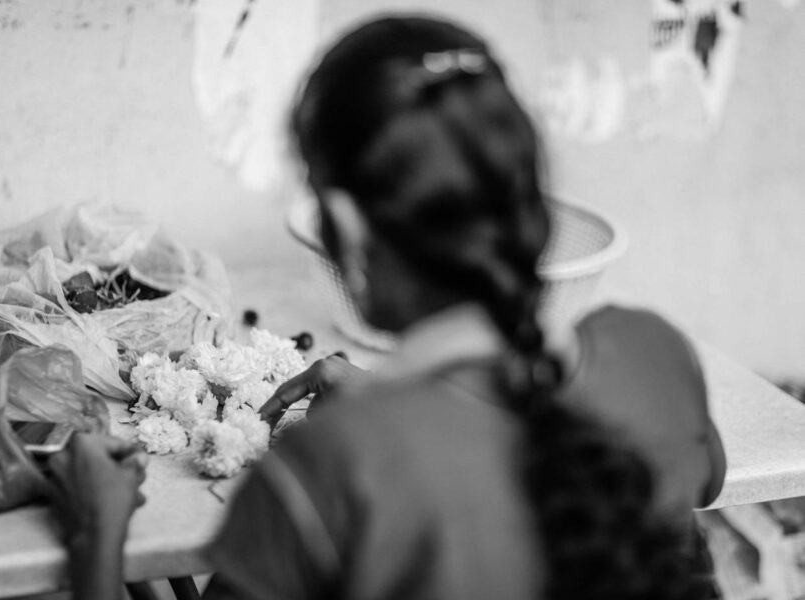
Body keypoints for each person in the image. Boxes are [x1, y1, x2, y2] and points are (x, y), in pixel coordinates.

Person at [49, 15, 725, 600]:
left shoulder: (329, 472)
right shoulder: (653, 352)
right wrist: (406, 406)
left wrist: (96, 535)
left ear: (345, 224)